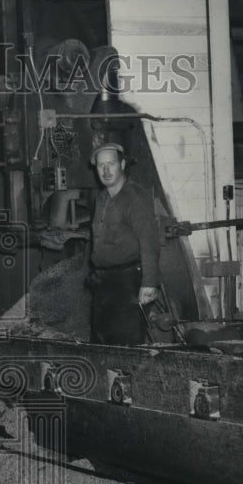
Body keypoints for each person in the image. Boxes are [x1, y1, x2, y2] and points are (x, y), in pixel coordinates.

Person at [86, 142, 161, 345]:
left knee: (126, 344)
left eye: (111, 164)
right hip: (105, 282)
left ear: (123, 164)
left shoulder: (134, 198)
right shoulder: (102, 198)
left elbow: (149, 241)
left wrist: (149, 283)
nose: (106, 170)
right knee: (102, 341)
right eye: (101, 166)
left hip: (128, 281)